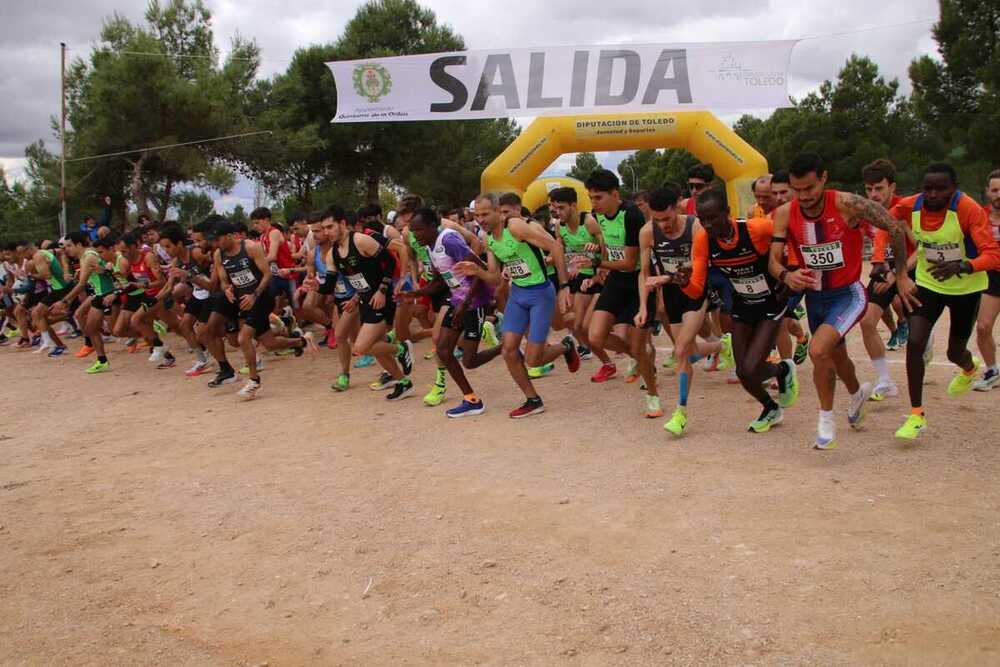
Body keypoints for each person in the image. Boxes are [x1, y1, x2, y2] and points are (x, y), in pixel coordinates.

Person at [771, 153, 916, 449]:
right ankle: (856, 394)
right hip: (815, 296)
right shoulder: (786, 213)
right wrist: (787, 276)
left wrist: (901, 274)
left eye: (809, 188)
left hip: (847, 294)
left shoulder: (849, 204)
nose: (804, 196)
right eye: (797, 190)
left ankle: (826, 419)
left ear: (823, 178)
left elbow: (895, 227)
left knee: (817, 349)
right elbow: (773, 261)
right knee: (837, 359)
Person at [888, 163, 1000, 438]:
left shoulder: (969, 210)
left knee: (954, 352)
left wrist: (962, 266)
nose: (934, 194)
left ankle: (969, 366)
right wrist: (882, 260)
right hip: (929, 284)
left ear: (954, 188)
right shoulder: (911, 206)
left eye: (941, 188)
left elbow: (993, 255)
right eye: (928, 188)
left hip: (967, 289)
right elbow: (884, 223)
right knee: (915, 342)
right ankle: (916, 415)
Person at [458, 192, 578, 418]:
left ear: (497, 211)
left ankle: (566, 346)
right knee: (508, 350)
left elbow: (555, 247)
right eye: (477, 216)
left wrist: (563, 286)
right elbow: (495, 279)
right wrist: (478, 271)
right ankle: (533, 400)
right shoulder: (489, 239)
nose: (481, 219)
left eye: (485, 214)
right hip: (519, 294)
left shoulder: (515, 227)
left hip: (541, 294)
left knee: (534, 359)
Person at [638, 186, 733, 436]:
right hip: (670, 293)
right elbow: (644, 273)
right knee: (687, 351)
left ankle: (680, 413)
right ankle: (723, 346)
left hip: (695, 289)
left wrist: (667, 277)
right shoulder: (647, 232)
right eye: (657, 219)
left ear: (678, 208)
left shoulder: (695, 227)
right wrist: (642, 306)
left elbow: (699, 263)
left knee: (681, 351)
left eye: (667, 219)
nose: (663, 225)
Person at [700, 188, 798, 432]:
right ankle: (771, 407)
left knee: (751, 367)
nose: (708, 225)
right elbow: (695, 284)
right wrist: (683, 281)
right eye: (703, 220)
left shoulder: (757, 228)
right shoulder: (703, 240)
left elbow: (790, 237)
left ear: (728, 213)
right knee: (743, 371)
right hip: (743, 302)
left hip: (771, 301)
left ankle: (781, 369)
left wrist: (790, 273)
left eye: (713, 218)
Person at [403, 208, 503, 417]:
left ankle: (506, 348)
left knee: (469, 361)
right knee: (443, 350)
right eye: (413, 231)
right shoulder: (430, 247)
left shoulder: (449, 241)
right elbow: (440, 281)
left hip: (476, 300)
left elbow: (477, 271)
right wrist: (415, 292)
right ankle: (471, 399)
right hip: (458, 298)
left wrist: (465, 305)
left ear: (432, 227)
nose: (415, 235)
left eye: (419, 230)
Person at [585, 169, 658, 415]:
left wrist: (595, 265)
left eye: (598, 198)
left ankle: (653, 395)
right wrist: (597, 258)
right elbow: (609, 247)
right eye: (591, 198)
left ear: (615, 194)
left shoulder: (631, 214)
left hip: (638, 282)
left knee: (637, 346)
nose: (593, 204)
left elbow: (629, 262)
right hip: (617, 280)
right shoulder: (600, 216)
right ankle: (643, 359)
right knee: (595, 337)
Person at [213, 221, 314, 400]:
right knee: (269, 343)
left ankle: (254, 380)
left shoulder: (251, 247)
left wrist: (254, 294)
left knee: (243, 338)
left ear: (230, 236)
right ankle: (301, 342)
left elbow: (267, 274)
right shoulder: (219, 255)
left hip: (262, 297)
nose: (216, 243)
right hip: (243, 301)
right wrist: (227, 289)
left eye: (218, 238)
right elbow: (223, 280)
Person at [327, 207, 415, 400]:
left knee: (361, 347)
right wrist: (356, 297)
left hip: (383, 295)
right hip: (366, 298)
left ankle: (402, 349)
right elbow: (359, 278)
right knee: (378, 347)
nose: (325, 232)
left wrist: (401, 278)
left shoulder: (366, 237)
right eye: (321, 229)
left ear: (346, 224)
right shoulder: (334, 251)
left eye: (328, 227)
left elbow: (397, 252)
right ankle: (403, 382)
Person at [857, 159, 910, 400]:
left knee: (919, 327)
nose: (873, 194)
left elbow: (920, 250)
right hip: (885, 272)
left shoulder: (905, 209)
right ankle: (885, 380)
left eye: (879, 188)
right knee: (867, 321)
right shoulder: (866, 213)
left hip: (910, 270)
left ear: (892, 187)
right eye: (869, 189)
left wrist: (897, 274)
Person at [548, 186, 610, 364]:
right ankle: (591, 345)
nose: (558, 212)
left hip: (592, 277)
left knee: (579, 324)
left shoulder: (589, 222)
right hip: (574, 275)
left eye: (562, 208)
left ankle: (602, 347)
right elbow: (559, 251)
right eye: (555, 208)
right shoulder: (559, 226)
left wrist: (597, 270)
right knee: (565, 319)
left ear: (573, 205)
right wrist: (547, 260)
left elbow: (605, 250)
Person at [58, 234, 118, 373]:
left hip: (107, 294)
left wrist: (64, 301)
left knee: (117, 331)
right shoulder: (85, 256)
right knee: (90, 329)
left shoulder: (89, 256)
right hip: (99, 295)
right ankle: (102, 360)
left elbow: (81, 285)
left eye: (69, 245)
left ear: (79, 245)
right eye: (65, 246)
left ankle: (149, 328)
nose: (66, 249)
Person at [974, 169, 1000, 390]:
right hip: (992, 278)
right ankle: (992, 371)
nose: (999, 194)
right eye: (995, 190)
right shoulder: (980, 216)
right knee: (983, 327)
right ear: (988, 192)